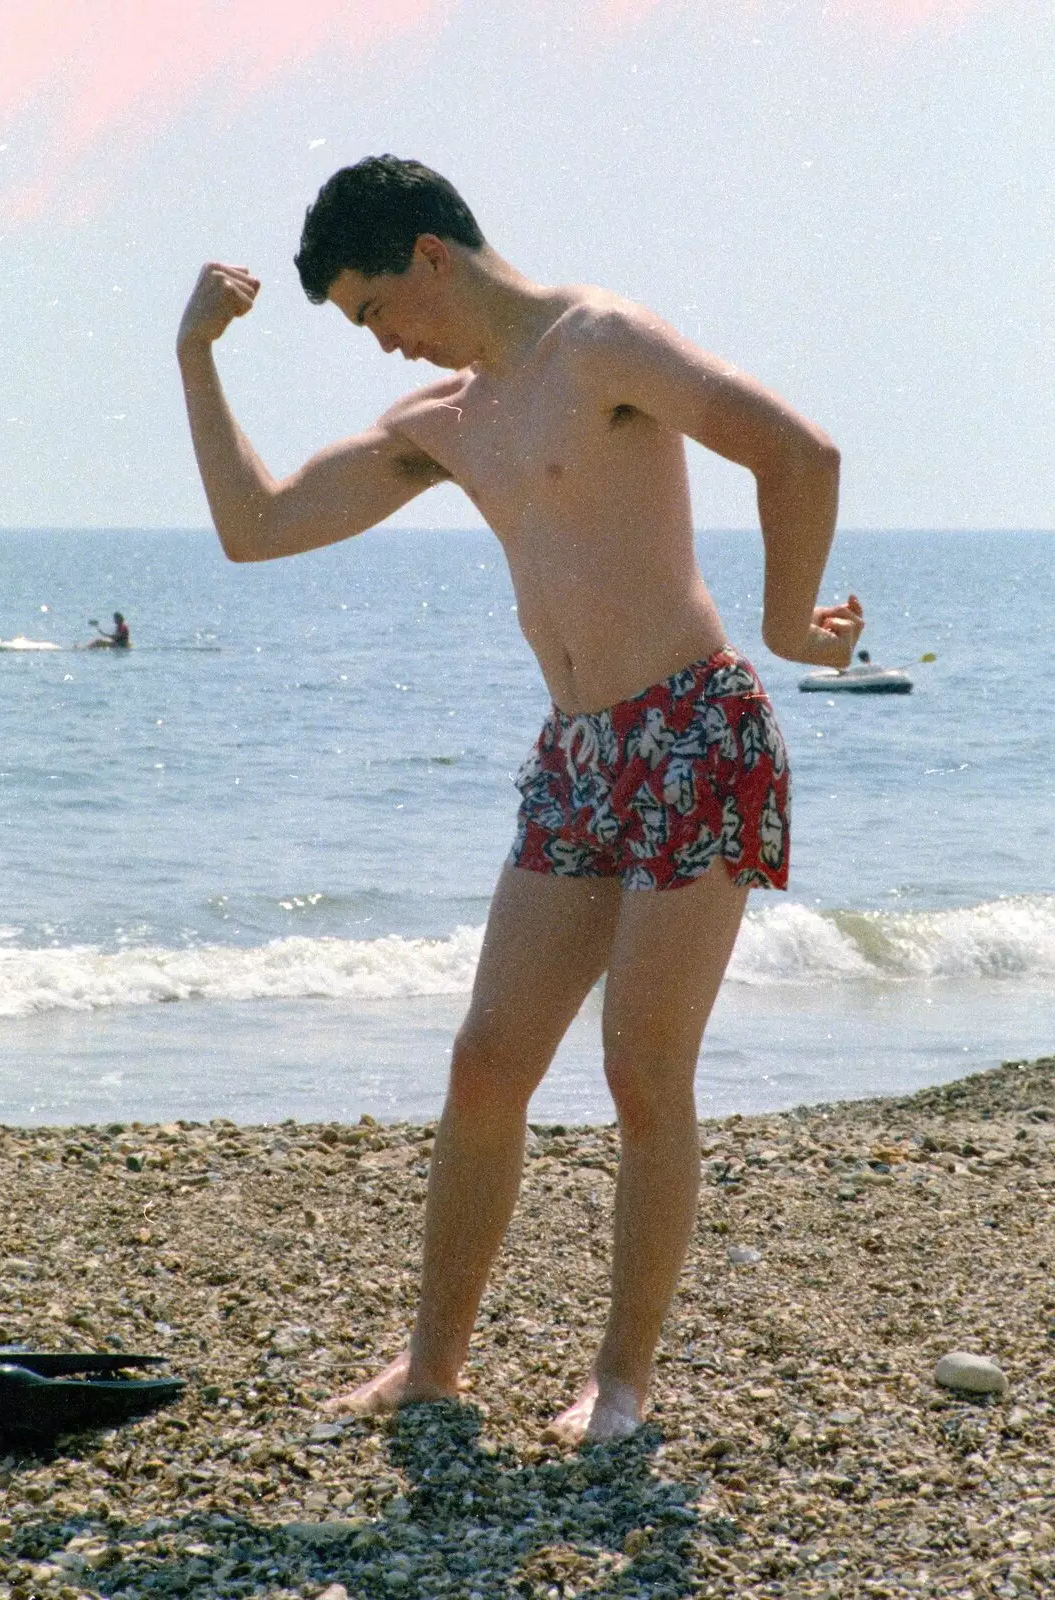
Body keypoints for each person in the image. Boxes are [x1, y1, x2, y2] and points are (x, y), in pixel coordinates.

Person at [177, 155, 864, 1444]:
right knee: (488, 1062)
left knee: (641, 1070)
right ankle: (432, 1366)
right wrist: (196, 358)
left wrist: (788, 623)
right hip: (577, 760)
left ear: (431, 254)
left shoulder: (599, 344)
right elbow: (255, 527)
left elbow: (796, 450)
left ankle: (622, 1380)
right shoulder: (449, 421)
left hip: (692, 735)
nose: (382, 343)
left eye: (375, 309)